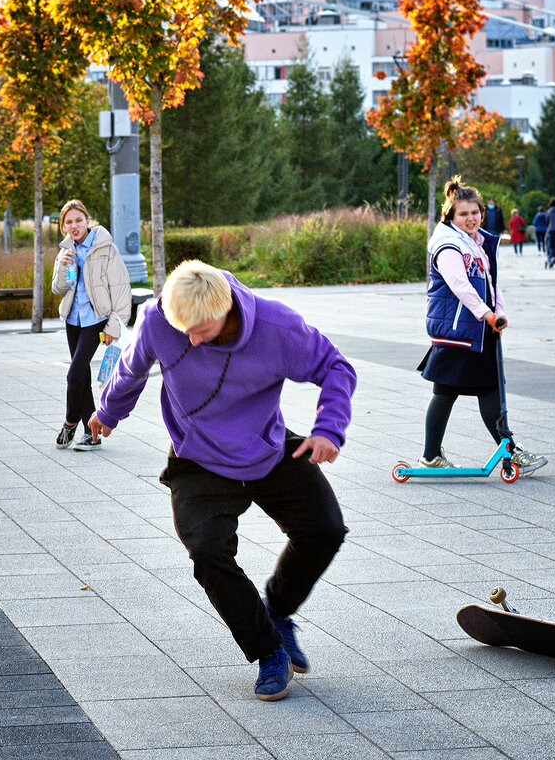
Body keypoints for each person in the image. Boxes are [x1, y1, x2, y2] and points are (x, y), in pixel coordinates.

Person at [88, 260, 356, 702]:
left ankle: (279, 612)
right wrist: (108, 413)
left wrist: (329, 429)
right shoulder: (159, 319)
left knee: (325, 530)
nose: (190, 340)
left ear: (226, 306)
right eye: (182, 330)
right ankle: (269, 650)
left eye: (201, 330)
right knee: (208, 551)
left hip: (266, 444)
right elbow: (133, 369)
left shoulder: (276, 325)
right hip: (197, 456)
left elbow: (336, 367)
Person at [416, 176, 547, 476]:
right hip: (458, 329)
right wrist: (487, 315)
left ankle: (436, 455)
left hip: (475, 328)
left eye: (475, 212)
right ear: (451, 216)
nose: (471, 218)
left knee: (470, 390)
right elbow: (461, 286)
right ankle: (507, 454)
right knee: (463, 390)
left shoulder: (477, 243)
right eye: (463, 214)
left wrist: (497, 311)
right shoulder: (448, 244)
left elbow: (490, 283)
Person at [51, 199, 131, 450]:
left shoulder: (105, 247)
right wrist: (64, 265)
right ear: (63, 225)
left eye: (78, 220)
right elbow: (57, 289)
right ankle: (91, 433)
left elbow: (120, 287)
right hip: (73, 320)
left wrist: (114, 326)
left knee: (74, 374)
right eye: (68, 222)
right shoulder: (65, 250)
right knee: (81, 376)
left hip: (96, 319)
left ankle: (70, 420)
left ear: (87, 220)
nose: (74, 226)